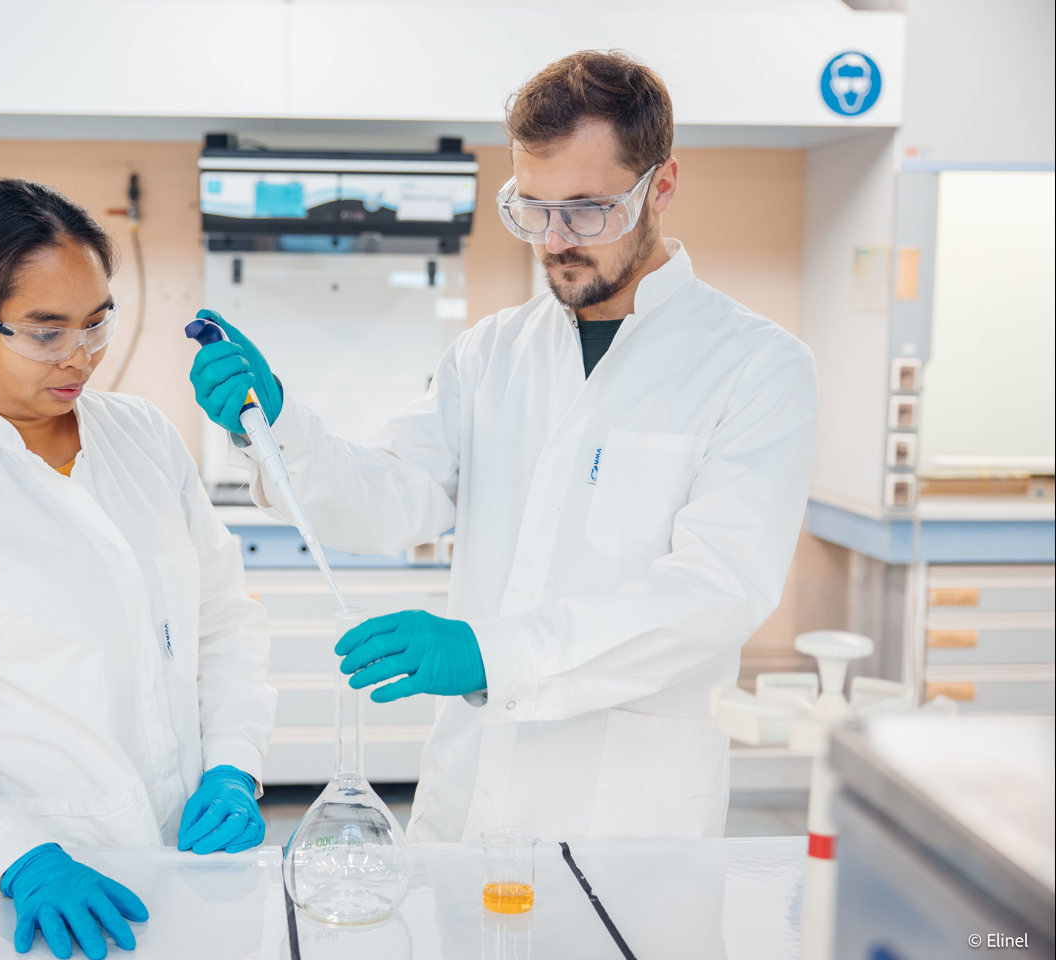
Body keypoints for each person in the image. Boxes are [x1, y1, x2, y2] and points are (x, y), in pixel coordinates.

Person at [189, 50, 817, 844]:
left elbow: (712, 593)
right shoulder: (493, 353)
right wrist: (278, 429)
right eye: (532, 208)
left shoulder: (756, 366)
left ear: (660, 186)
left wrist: (494, 654)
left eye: (587, 210)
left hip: (627, 813)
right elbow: (395, 495)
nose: (555, 240)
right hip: (471, 796)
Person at [0, 179, 276, 960]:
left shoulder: (144, 438)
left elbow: (223, 625)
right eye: (45, 333)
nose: (80, 357)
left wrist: (234, 766)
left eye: (96, 323)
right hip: (31, 892)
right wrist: (20, 861)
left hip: (186, 862)